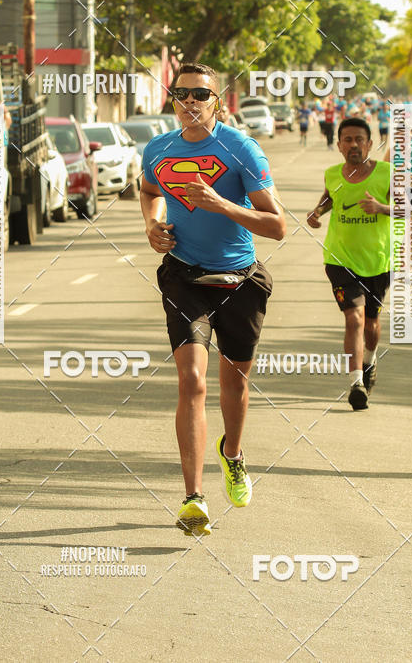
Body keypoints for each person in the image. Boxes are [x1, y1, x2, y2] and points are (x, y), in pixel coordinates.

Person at [140, 63, 286, 536]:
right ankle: (193, 498)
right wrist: (153, 225)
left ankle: (233, 454)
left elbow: (277, 226)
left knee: (234, 384)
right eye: (181, 93)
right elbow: (149, 190)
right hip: (184, 276)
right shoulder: (158, 149)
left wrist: (221, 204)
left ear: (217, 101)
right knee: (192, 381)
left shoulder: (240, 149)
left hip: (239, 279)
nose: (190, 101)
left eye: (200, 94)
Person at [307, 116, 391, 411]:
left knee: (371, 322)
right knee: (354, 318)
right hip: (339, 259)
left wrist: (381, 208)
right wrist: (317, 212)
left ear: (369, 144)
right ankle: (356, 383)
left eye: (359, 140)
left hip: (378, 260)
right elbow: (330, 197)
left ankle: (369, 360)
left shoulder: (387, 173)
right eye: (348, 140)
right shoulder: (332, 174)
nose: (354, 145)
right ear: (339, 145)